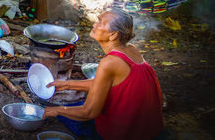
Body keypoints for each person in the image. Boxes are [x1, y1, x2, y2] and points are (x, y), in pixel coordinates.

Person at [43, 9, 163, 140]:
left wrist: (58, 110)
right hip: (150, 129)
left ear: (113, 35)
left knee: (67, 115)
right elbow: (108, 84)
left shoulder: (110, 62)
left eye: (100, 22)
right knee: (72, 108)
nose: (94, 24)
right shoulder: (131, 49)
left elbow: (88, 112)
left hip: (124, 134)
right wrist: (67, 85)